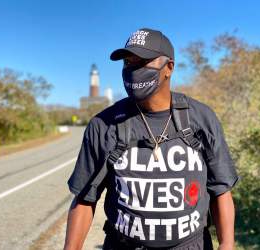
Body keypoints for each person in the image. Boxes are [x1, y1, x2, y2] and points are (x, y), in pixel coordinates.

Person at [64, 28, 239, 250]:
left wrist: (227, 244)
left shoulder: (201, 118)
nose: (133, 70)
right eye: (128, 63)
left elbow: (221, 190)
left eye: (143, 62)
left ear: (169, 68)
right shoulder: (104, 125)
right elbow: (85, 198)